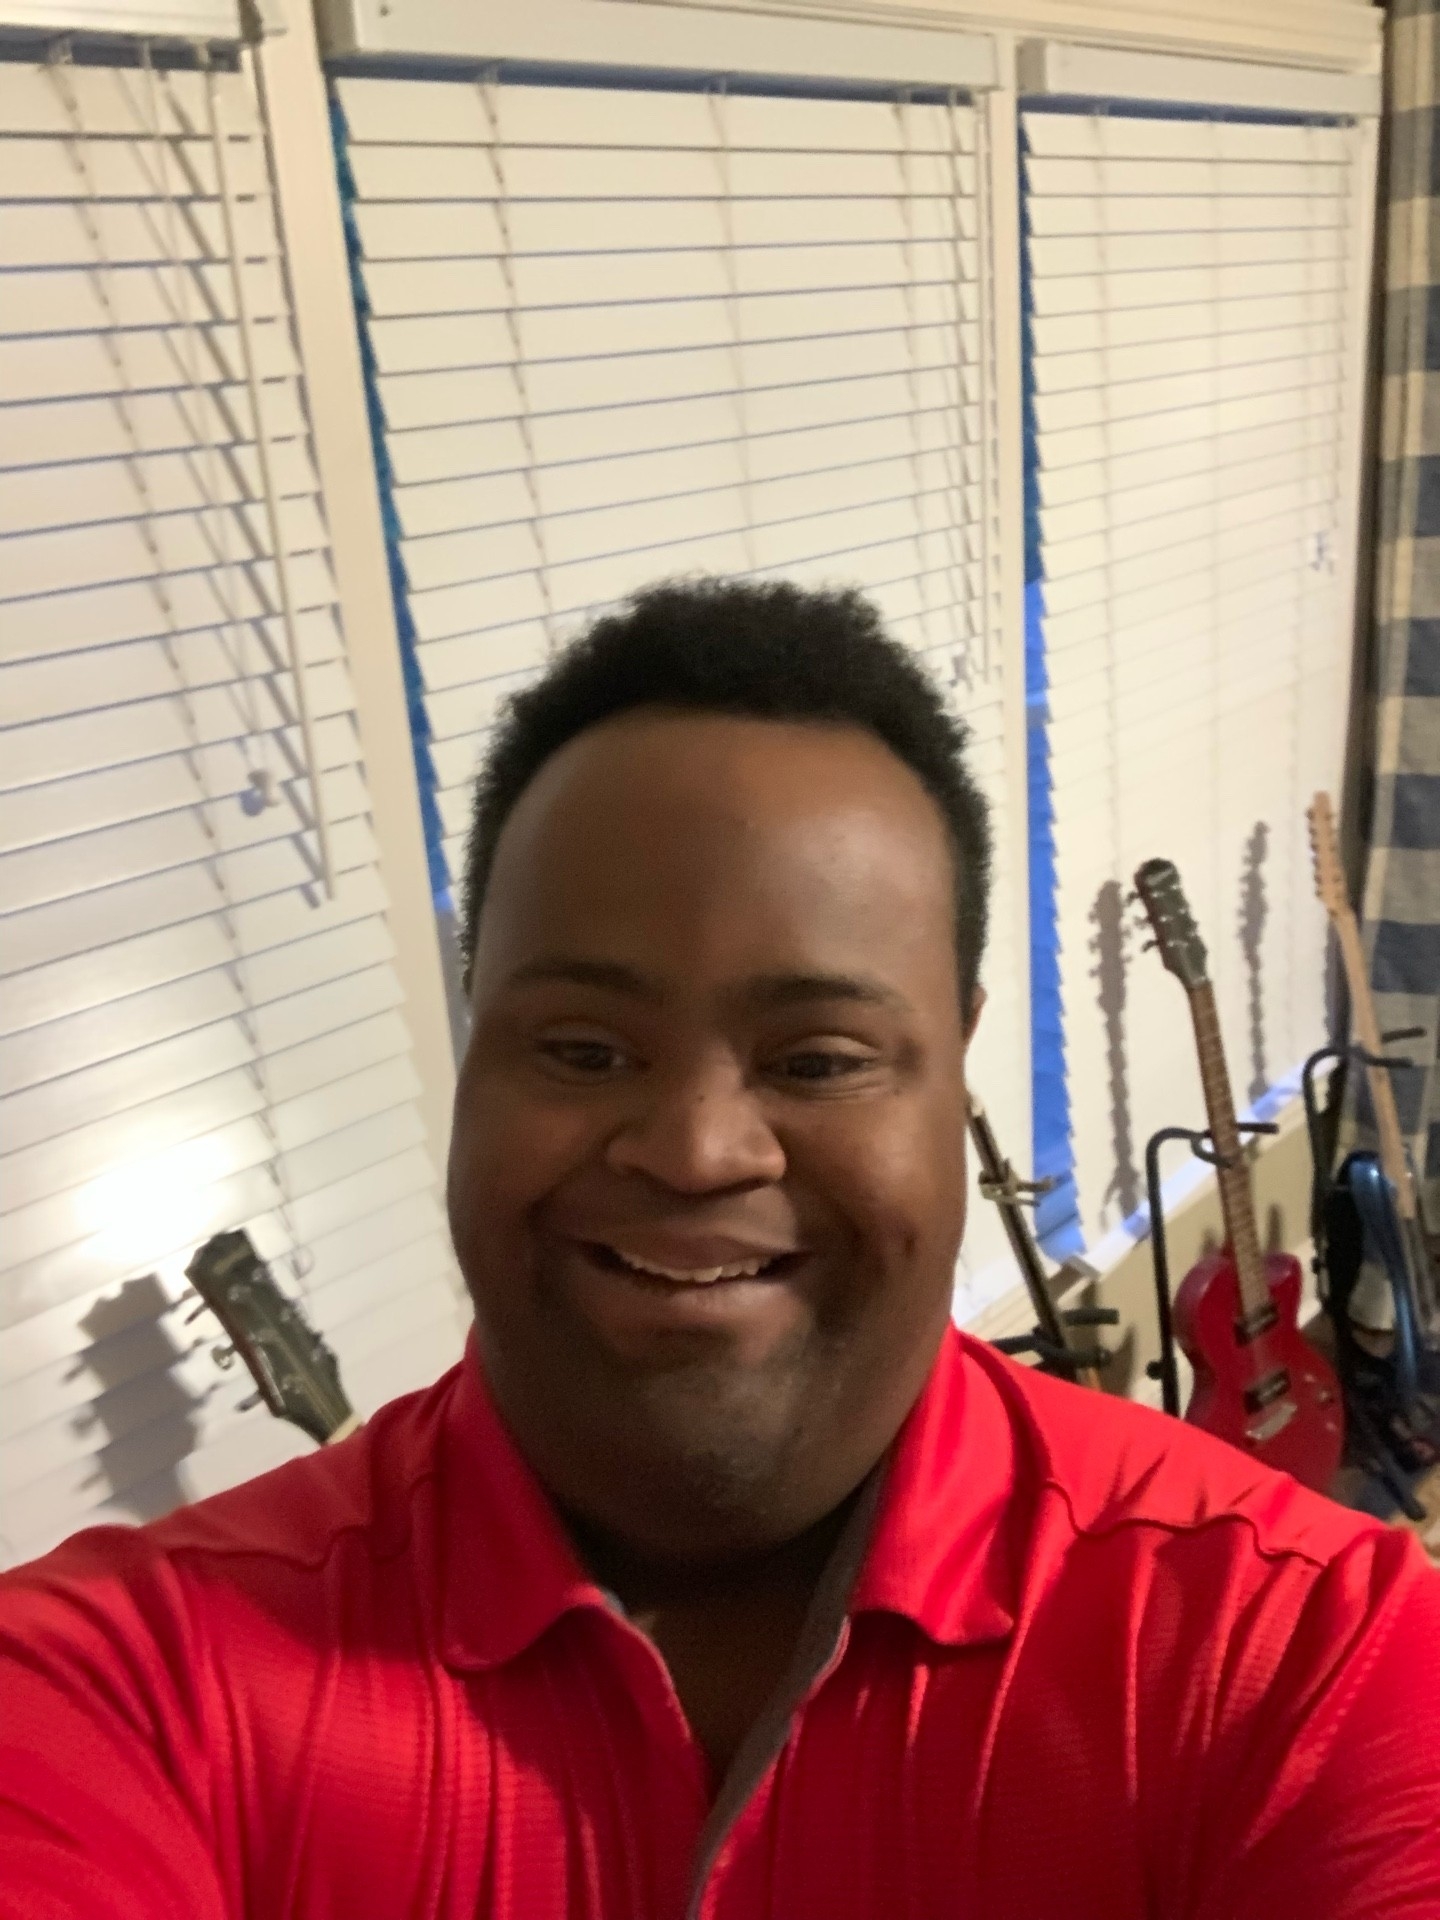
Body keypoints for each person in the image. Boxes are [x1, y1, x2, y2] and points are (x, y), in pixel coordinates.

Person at [1, 579, 1437, 1918]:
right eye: (583, 1048)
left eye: (818, 1060)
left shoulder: (1308, 1654)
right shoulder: (120, 1688)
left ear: (957, 1071)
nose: (694, 1151)